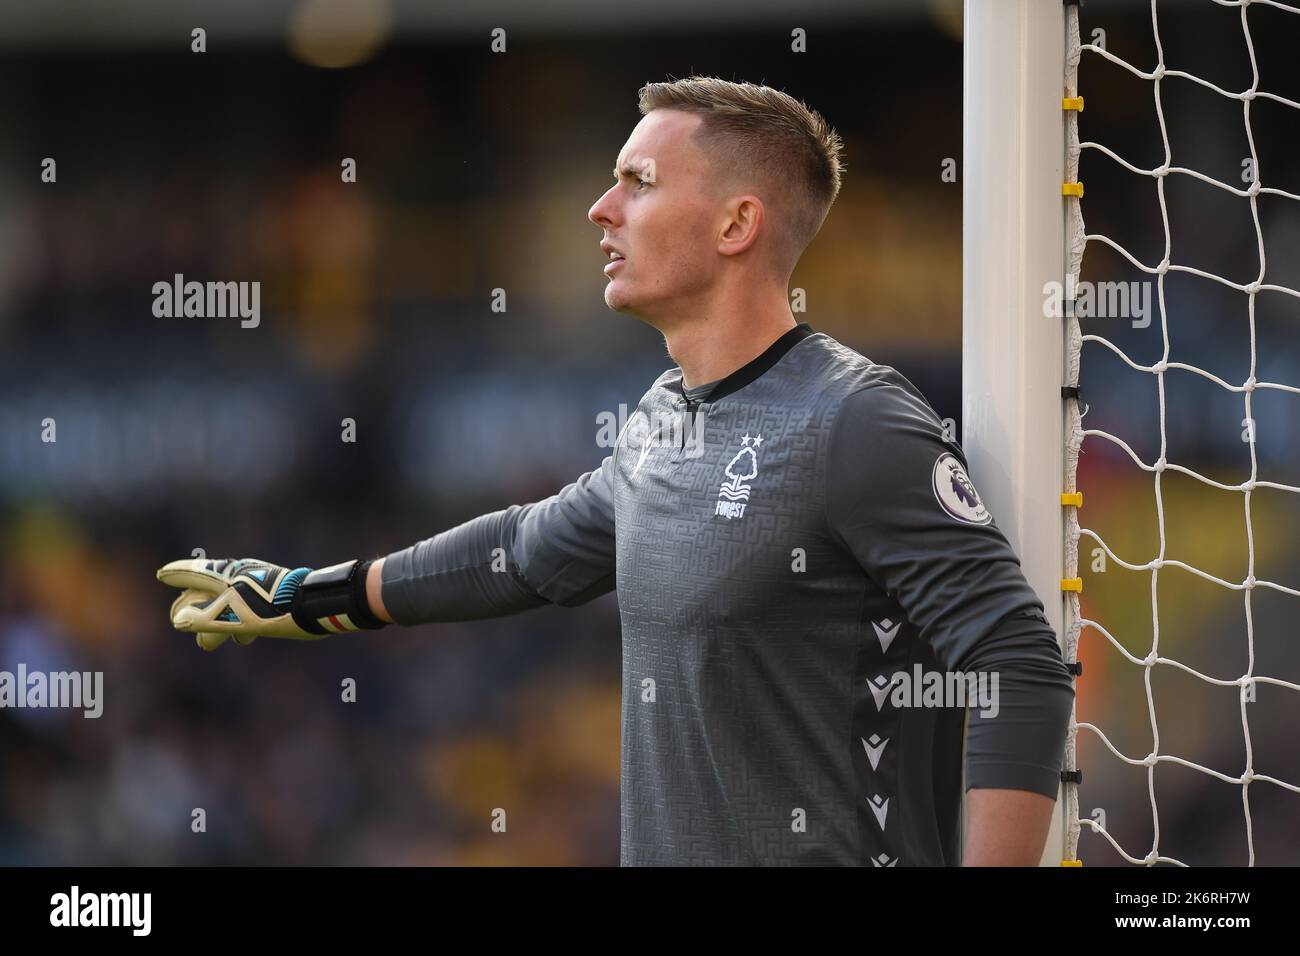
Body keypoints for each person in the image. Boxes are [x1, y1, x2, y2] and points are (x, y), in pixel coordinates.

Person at [158, 76, 1074, 867]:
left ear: (736, 223)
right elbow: (521, 551)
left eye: (637, 182)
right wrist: (309, 598)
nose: (601, 208)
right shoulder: (660, 423)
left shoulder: (855, 420)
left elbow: (1016, 658)